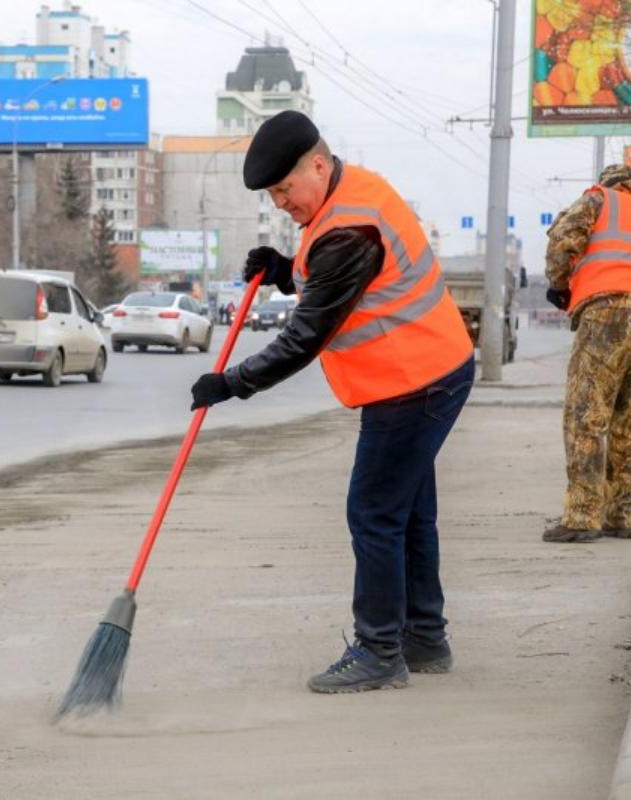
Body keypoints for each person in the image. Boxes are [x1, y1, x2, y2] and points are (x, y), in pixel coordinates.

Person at [188, 110, 475, 693]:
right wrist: (286, 270)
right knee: (408, 513)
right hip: (429, 370)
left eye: (284, 189)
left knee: (373, 513)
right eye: (272, 195)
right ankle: (424, 639)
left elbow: (305, 337)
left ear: (317, 166)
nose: (280, 204)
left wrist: (232, 382)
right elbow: (337, 276)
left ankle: (379, 651)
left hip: (411, 383)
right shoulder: (349, 196)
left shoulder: (348, 228)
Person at [542, 163, 631, 543]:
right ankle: (624, 515)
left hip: (606, 311)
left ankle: (583, 517)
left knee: (587, 413)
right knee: (630, 420)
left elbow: (564, 238)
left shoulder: (598, 199)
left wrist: (559, 285)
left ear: (610, 183)